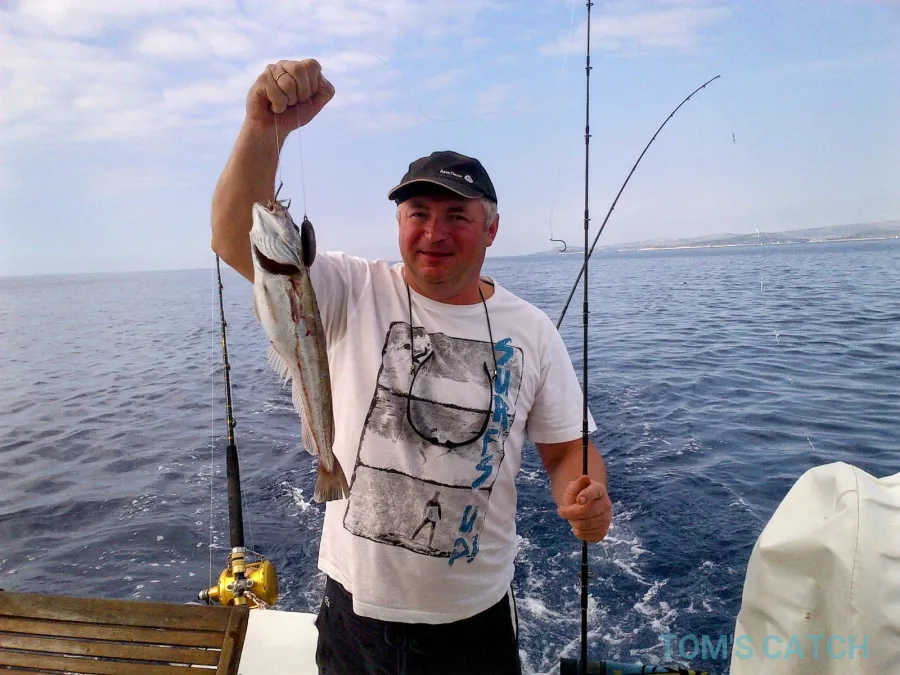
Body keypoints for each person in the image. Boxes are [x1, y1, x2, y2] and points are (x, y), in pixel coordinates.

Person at [211, 58, 613, 675]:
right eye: (418, 213)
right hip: (355, 613)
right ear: (398, 222)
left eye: (458, 216)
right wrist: (265, 129)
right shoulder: (347, 289)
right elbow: (233, 235)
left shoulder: (532, 331)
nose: (434, 232)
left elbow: (567, 450)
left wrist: (585, 493)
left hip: (472, 621)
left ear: (492, 229)